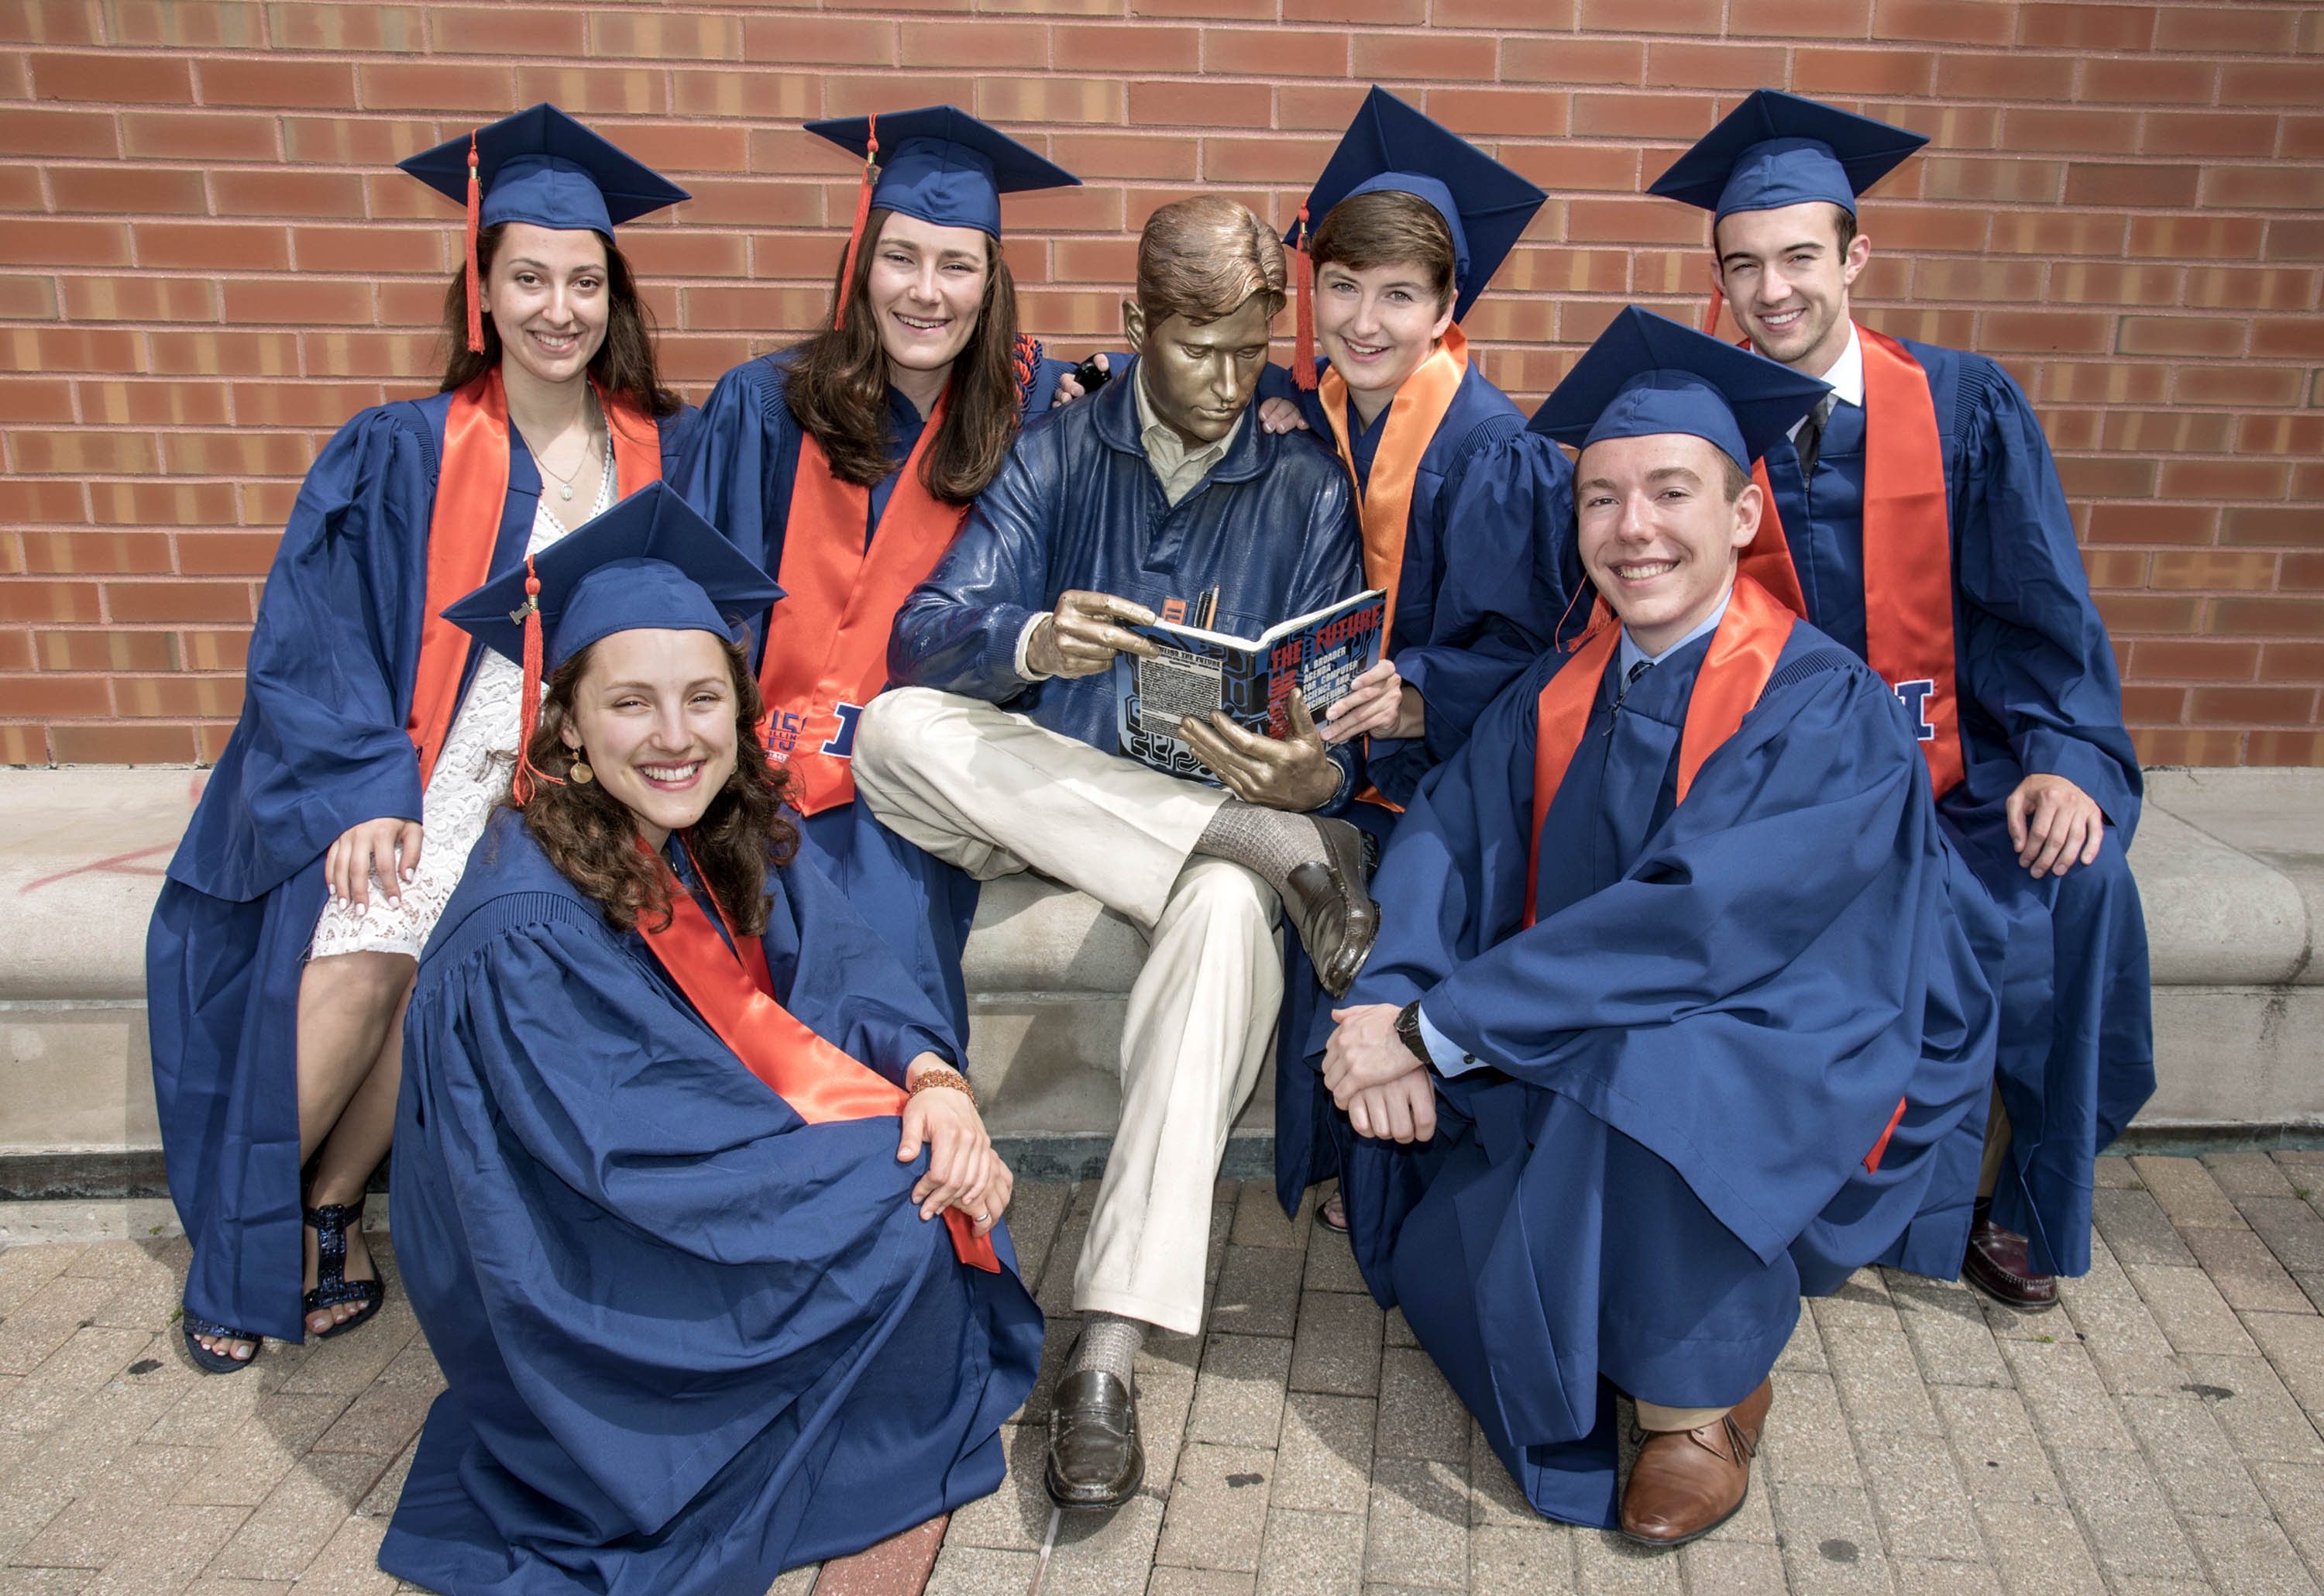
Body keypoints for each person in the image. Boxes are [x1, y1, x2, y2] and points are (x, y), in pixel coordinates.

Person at [1314, 308, 1997, 1546]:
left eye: (1672, 492)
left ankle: (1699, 1395)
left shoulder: (1818, 703)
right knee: (1522, 1118)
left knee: (1639, 1068)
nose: (1634, 529)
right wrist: (1392, 993)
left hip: (1790, 1029)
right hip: (1580, 1006)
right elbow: (1447, 839)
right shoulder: (1565, 687)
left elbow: (1704, 922)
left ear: (1741, 516)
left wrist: (1438, 1024)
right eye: (1602, 500)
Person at [376, 483, 1041, 1595]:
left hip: (696, 1170)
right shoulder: (523, 927)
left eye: (703, 700)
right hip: (592, 1255)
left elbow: (849, 972)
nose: (677, 737)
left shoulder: (718, 834)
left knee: (929, 1163)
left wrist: (933, 1078)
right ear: (569, 725)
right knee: (909, 1202)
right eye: (632, 704)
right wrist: (880, 1149)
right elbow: (628, 1151)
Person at [146, 105, 696, 1372]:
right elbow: (317, 631)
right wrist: (362, 793)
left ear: (616, 293)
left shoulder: (663, 451)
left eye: (584, 280)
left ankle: (333, 1203)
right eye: (529, 280)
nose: (560, 307)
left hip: (564, 784)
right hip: (420, 763)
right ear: (484, 291)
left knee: (458, 989)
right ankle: (244, 1241)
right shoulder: (401, 447)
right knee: (366, 955)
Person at [851, 194, 1367, 1511]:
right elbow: (922, 636)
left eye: (1256, 354)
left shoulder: (1304, 486)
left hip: (1199, 849)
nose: (1232, 382)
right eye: (1203, 350)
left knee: (1221, 918)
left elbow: (1337, 710)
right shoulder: (1059, 452)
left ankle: (1112, 1355)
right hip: (1048, 811)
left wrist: (1314, 775)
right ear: (1136, 323)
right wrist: (1032, 642)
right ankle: (1256, 844)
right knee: (899, 731)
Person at [1648, 91, 2152, 1306]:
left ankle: (2016, 1192)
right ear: (1719, 279)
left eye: (1800, 259)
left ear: (1854, 257)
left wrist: (2063, 758)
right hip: (1789, 793)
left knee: (2076, 884)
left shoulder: (1965, 406)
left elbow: (2040, 611)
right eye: (1745, 267)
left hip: (1963, 776)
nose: (1774, 292)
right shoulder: (1700, 432)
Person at [1250, 86, 1587, 1233]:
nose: (1364, 319)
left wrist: (1421, 695)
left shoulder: (1491, 453)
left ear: (1450, 305)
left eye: (1399, 294)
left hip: (1452, 767)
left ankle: (1396, 1179)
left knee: (1387, 891)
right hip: (1342, 750)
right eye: (1341, 285)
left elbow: (1535, 653)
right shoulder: (1321, 404)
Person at [676, 106, 1085, 1036]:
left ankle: (896, 1132)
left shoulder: (1033, 418)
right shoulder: (765, 405)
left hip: (915, 773)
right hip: (763, 754)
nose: (926, 292)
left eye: (957, 265)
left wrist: (1283, 402)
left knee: (887, 890)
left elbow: (1181, 379)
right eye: (902, 257)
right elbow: (702, 605)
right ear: (863, 261)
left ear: (992, 284)